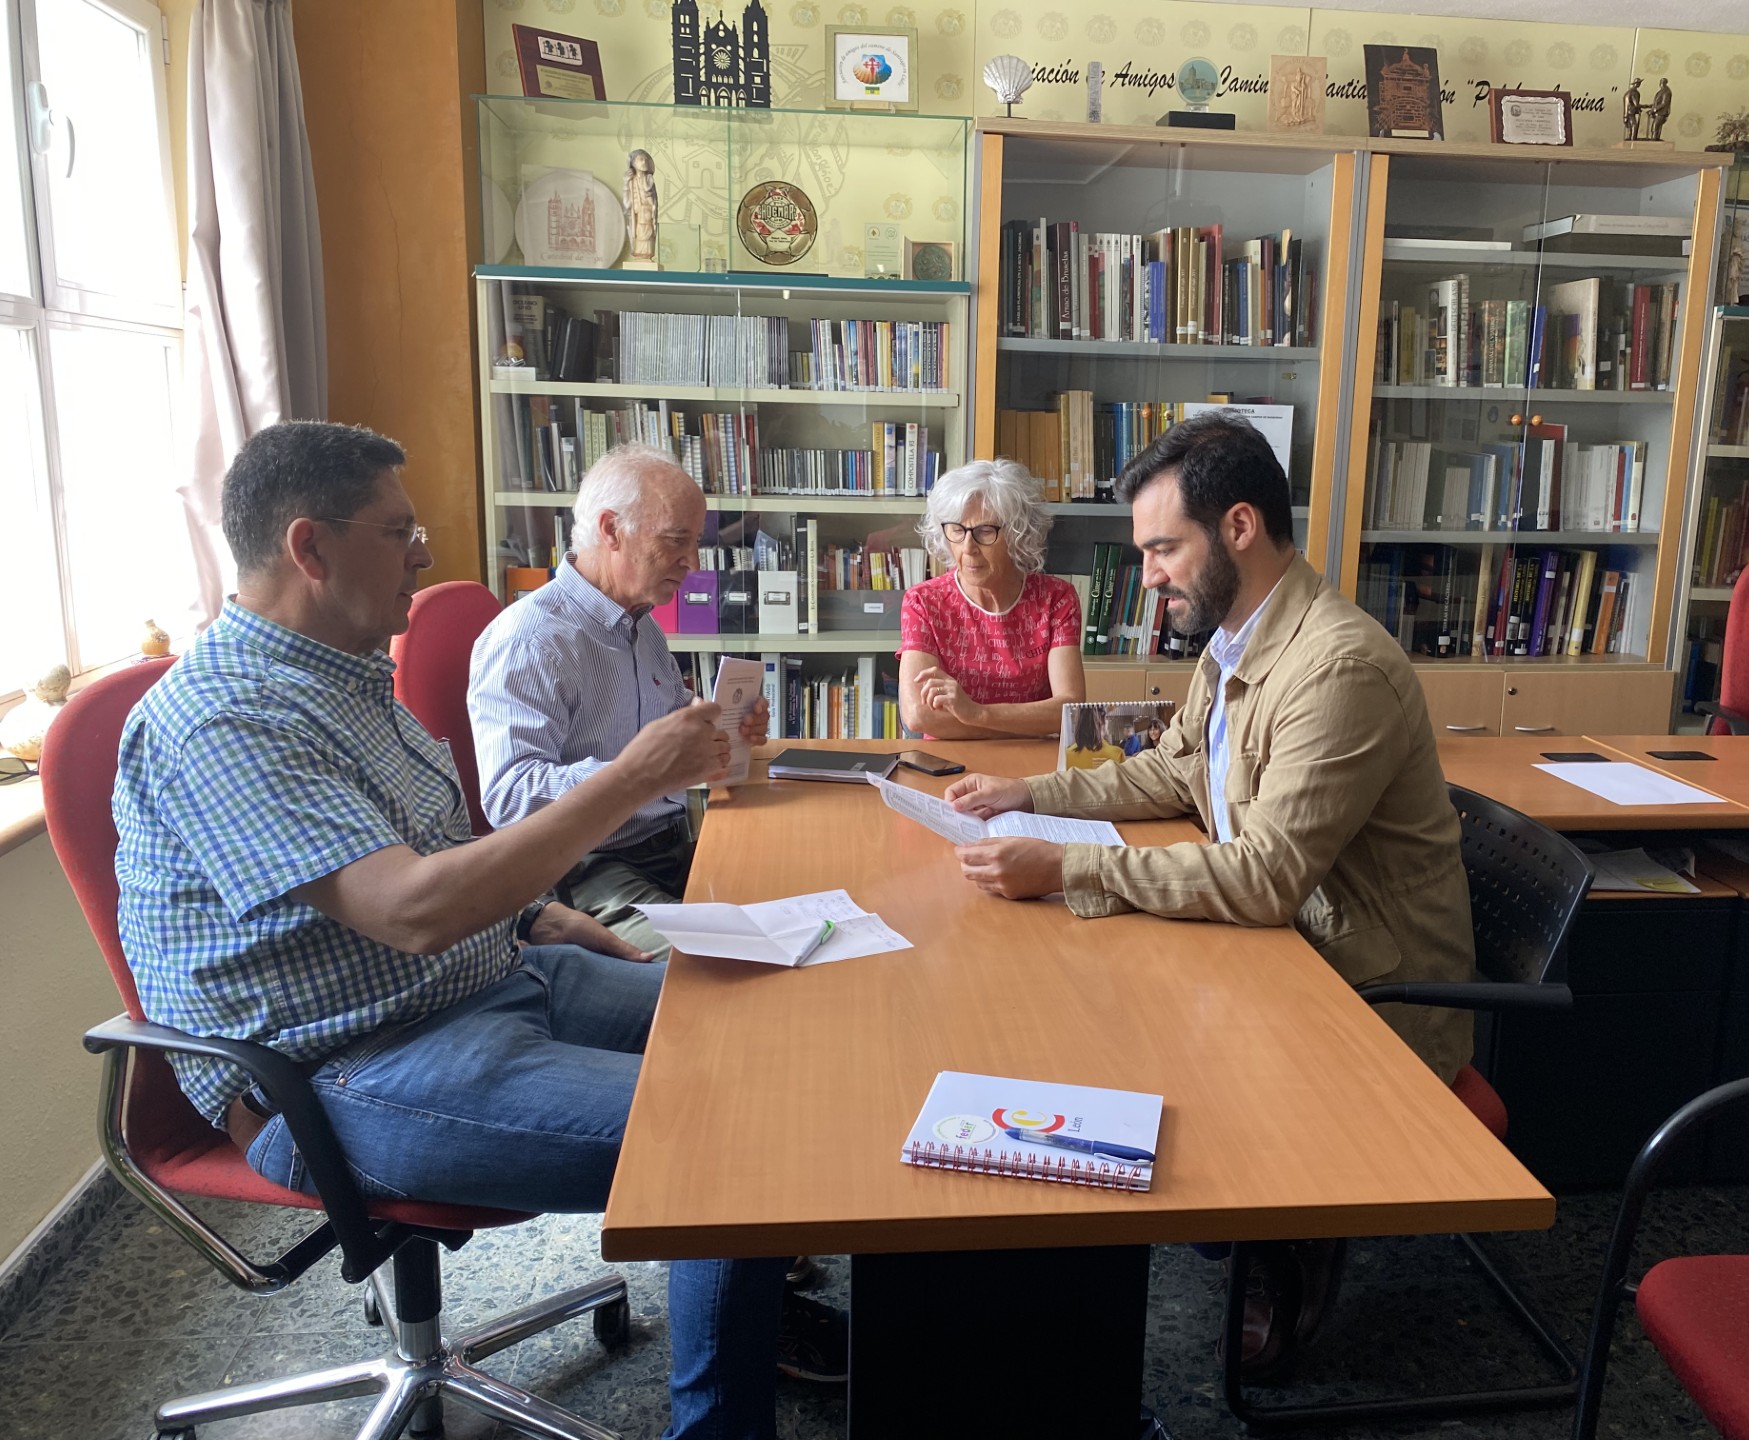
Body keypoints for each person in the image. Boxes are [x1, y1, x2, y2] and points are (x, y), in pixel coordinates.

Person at [112, 421, 839, 1438]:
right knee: (729, 1129)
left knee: (778, 1025)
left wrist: (545, 915)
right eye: (400, 530)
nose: (424, 553)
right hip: (338, 1070)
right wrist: (637, 773)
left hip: (492, 977)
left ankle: (763, 1306)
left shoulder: (351, 679)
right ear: (310, 549)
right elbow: (409, 910)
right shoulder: (227, 717)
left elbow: (426, 856)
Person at [939, 412, 1477, 1376]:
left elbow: (1267, 875)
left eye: (1160, 549)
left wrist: (1068, 865)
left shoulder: (1336, 666)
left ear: (1237, 528)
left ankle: (1293, 1243)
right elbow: (1169, 774)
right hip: (1285, 950)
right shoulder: (1234, 638)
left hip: (1367, 994)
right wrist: (1031, 794)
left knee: (1102, 1023)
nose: (1146, 573)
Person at [469, 445, 767, 961]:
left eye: (696, 542)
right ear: (610, 530)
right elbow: (508, 799)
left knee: (808, 905)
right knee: (722, 973)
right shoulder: (531, 639)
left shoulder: (641, 624)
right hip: (585, 868)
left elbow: (668, 719)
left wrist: (720, 724)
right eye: (677, 540)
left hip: (672, 842)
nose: (693, 563)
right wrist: (641, 772)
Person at [898, 458, 1085, 738]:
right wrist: (1029, 726)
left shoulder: (1056, 599)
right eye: (957, 530)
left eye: (985, 531)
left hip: (1030, 766)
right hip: (951, 763)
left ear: (1018, 534)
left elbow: (1070, 709)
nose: (968, 548)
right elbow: (918, 715)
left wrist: (976, 713)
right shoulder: (924, 602)